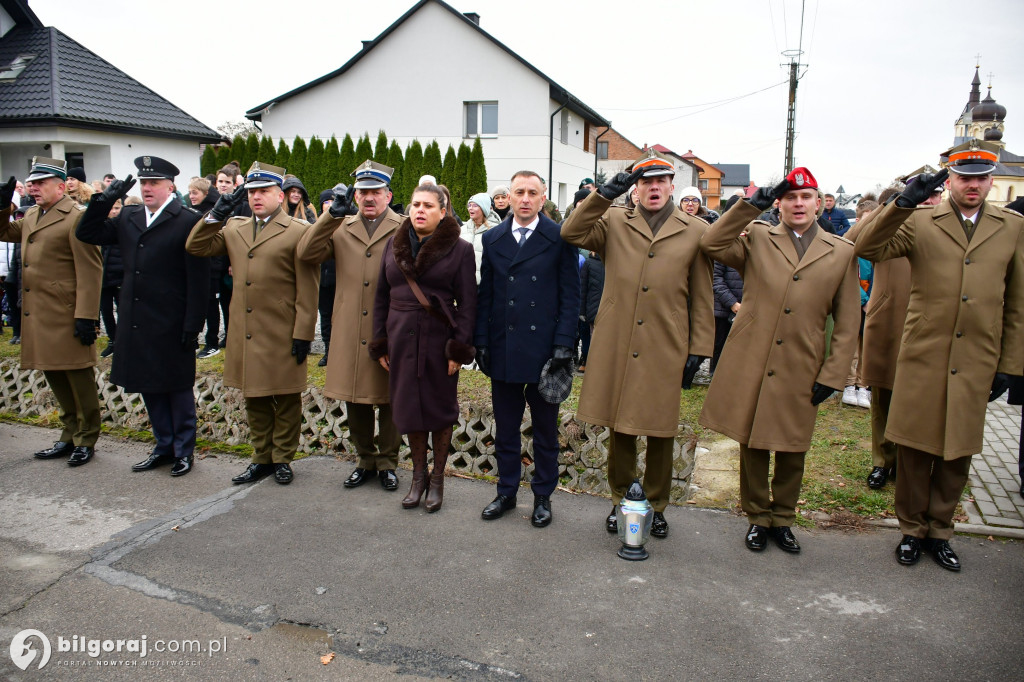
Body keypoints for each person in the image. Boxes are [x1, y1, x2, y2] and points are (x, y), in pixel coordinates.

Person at [854, 140, 1024, 571]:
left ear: (991, 181)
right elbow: (867, 248)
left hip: (976, 359)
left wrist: (1009, 366)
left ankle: (941, 530)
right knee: (913, 450)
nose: (973, 185)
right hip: (923, 356)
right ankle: (911, 530)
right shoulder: (921, 221)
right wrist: (902, 204)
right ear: (950, 179)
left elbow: (1018, 303)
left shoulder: (1012, 226)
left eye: (981, 178)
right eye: (964, 177)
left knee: (957, 452)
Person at [699, 166, 860, 554]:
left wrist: (835, 373)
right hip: (754, 356)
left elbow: (849, 320)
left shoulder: (841, 252)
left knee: (793, 445)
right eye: (790, 197)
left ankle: (783, 518)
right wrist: (749, 204)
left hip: (802, 363)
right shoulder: (758, 236)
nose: (798, 204)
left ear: (819, 204)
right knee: (753, 441)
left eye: (806, 197)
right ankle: (757, 517)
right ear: (780, 204)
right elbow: (713, 242)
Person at [562, 149, 715, 539]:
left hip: (666, 341)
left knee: (661, 429)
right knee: (622, 426)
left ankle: (657, 504)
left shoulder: (695, 229)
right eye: (645, 181)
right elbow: (571, 232)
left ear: (671, 186)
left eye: (660, 181)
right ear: (634, 188)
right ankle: (620, 500)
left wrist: (700, 348)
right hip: (618, 339)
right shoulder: (613, 220)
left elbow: (701, 294)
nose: (653, 188)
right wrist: (602, 195)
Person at [186, 161, 319, 485]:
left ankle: (283, 457)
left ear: (280, 194)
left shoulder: (299, 230)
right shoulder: (234, 228)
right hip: (246, 331)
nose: (257, 197)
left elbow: (308, 288)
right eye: (252, 192)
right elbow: (196, 246)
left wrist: (303, 333)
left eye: (264, 191)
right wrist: (216, 213)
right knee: (255, 396)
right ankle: (261, 457)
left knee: (286, 397)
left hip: (281, 329)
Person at [77, 156, 209, 477]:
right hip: (137, 319)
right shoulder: (130, 216)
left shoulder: (188, 220)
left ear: (170, 186)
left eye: (154, 183)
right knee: (150, 385)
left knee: (176, 388)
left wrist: (193, 324)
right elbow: (88, 232)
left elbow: (199, 279)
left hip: (172, 320)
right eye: (143, 182)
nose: (147, 188)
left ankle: (183, 450)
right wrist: (106, 198)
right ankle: (163, 446)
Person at [475, 170, 580, 527]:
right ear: (509, 196)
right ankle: (505, 492)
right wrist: (482, 341)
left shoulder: (560, 237)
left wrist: (565, 342)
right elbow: (485, 295)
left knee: (545, 431)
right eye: (518, 191)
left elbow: (570, 296)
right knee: (505, 428)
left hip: (544, 352)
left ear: (542, 197)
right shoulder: (492, 238)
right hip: (504, 346)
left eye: (531, 192)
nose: (524, 199)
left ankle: (543, 496)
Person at [295, 160, 404, 492]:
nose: (368, 198)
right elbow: (306, 253)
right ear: (354, 195)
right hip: (349, 327)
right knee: (354, 397)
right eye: (362, 192)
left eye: (375, 191)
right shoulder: (340, 226)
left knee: (390, 398)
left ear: (388, 194)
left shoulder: (404, 227)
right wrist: (329, 217)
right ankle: (365, 459)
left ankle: (387, 462)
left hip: (390, 326)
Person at [368, 184, 477, 512]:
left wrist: (458, 349)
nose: (420, 210)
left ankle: (438, 479)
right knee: (409, 409)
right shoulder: (393, 244)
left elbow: (469, 304)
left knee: (440, 410)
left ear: (443, 211)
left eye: (428, 205)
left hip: (438, 341)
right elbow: (381, 297)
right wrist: (380, 342)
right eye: (416, 204)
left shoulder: (460, 249)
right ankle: (418, 477)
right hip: (400, 339)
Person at [0, 159, 103, 466]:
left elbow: (91, 269)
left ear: (60, 186)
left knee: (78, 375)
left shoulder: (75, 217)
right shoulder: (32, 214)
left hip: (67, 311)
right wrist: (3, 205)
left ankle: (88, 438)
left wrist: (87, 315)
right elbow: (5, 231)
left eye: (40, 182)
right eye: (31, 183)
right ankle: (69, 433)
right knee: (54, 372)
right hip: (40, 312)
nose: (33, 187)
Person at [98, 199, 124, 358]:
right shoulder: (104, 227)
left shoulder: (124, 227)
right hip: (104, 276)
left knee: (122, 310)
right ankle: (112, 340)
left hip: (120, 276)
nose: (114, 211)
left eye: (117, 208)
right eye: (112, 208)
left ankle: (122, 340)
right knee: (105, 310)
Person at [316, 187, 338, 368]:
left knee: (339, 318)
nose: (329, 205)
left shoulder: (342, 224)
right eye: (326, 202)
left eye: (332, 202)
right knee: (325, 318)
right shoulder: (317, 225)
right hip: (322, 281)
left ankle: (339, 352)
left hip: (338, 281)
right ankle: (328, 351)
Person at [461, 191, 499, 281]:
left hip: (484, 282)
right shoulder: (462, 230)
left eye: (475, 206)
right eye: (469, 205)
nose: (470, 208)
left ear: (484, 208)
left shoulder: (495, 230)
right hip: (464, 282)